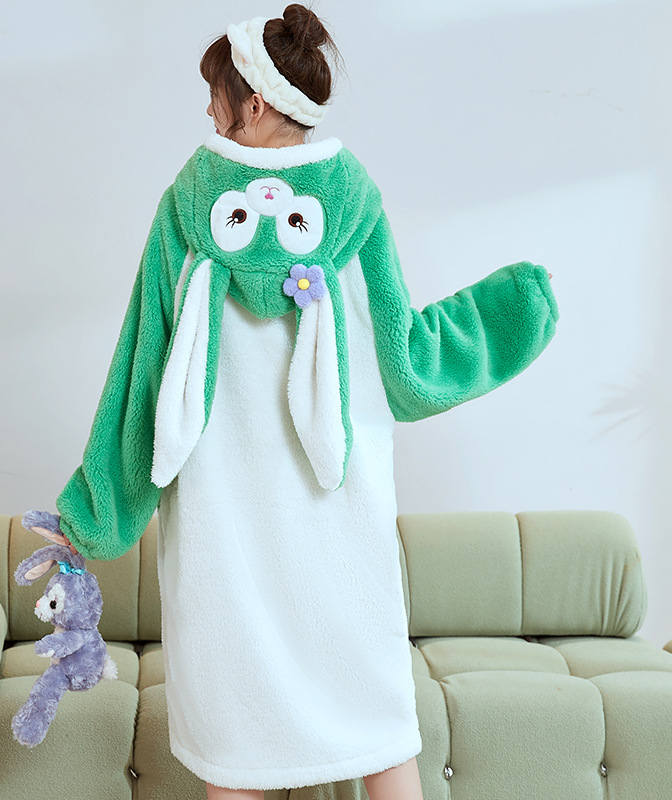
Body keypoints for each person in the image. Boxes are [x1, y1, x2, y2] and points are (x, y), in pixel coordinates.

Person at [39, 5, 559, 799]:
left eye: (215, 94)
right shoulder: (354, 201)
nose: (206, 108)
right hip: (337, 515)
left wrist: (93, 510)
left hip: (222, 528)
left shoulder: (187, 205)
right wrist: (509, 312)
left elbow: (144, 367)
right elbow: (408, 360)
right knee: (378, 726)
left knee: (234, 743)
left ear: (252, 103)